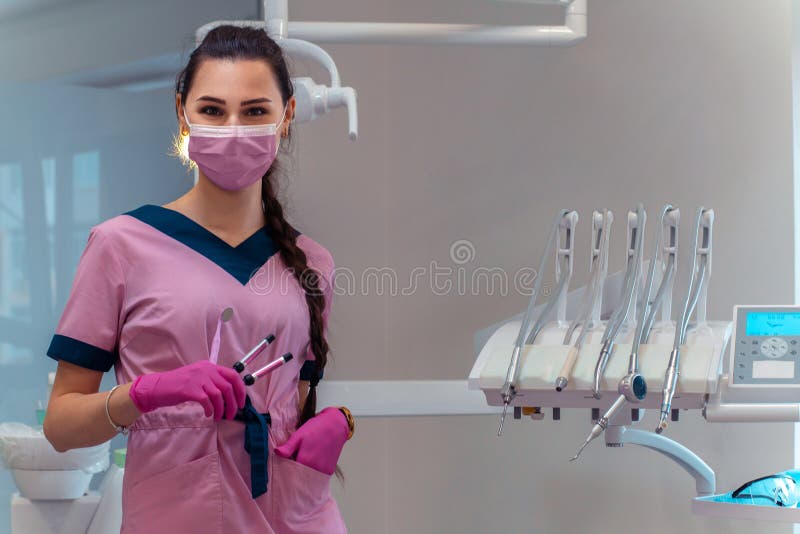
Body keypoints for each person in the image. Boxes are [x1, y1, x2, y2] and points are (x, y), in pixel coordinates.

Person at [42, 25, 351, 533]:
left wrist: (337, 425)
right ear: (183, 113)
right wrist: (145, 394)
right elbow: (61, 427)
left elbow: (292, 405)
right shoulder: (121, 245)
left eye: (255, 111)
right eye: (213, 110)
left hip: (297, 519)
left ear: (287, 116)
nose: (233, 128)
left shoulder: (311, 263)